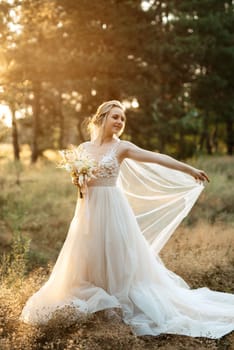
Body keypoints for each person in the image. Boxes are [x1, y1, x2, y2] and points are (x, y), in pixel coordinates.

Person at [21, 100, 234, 338]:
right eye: (115, 117)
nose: (120, 122)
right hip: (88, 210)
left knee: (115, 253)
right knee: (88, 254)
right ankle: (98, 301)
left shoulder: (121, 147)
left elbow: (157, 158)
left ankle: (118, 302)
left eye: (122, 118)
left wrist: (189, 169)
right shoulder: (83, 148)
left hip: (113, 209)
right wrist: (78, 182)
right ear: (101, 118)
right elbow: (80, 185)